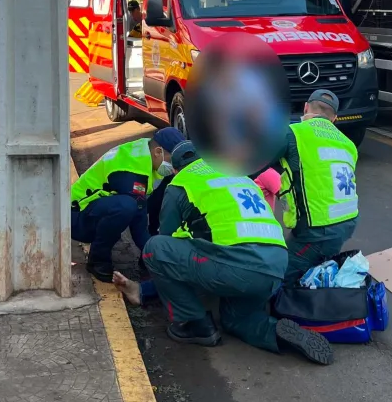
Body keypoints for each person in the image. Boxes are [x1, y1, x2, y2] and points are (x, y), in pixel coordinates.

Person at [114, 142, 333, 365]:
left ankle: (194, 323)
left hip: (238, 267)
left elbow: (167, 243)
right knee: (237, 319)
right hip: (276, 266)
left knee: (155, 248)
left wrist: (145, 289)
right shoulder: (237, 176)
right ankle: (275, 333)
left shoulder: (182, 182)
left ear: (176, 169)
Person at [70, 127, 185, 282]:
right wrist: (154, 255)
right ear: (158, 152)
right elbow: (139, 226)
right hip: (76, 218)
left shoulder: (147, 150)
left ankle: (151, 251)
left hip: (97, 209)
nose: (174, 167)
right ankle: (98, 261)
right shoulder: (131, 172)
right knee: (126, 207)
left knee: (163, 190)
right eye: (172, 161)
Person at [277, 89, 359, 282]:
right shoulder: (348, 144)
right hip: (348, 221)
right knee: (316, 262)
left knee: (280, 275)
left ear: (305, 107)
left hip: (317, 229)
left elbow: (257, 160)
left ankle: (285, 305)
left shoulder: (293, 134)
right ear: (335, 118)